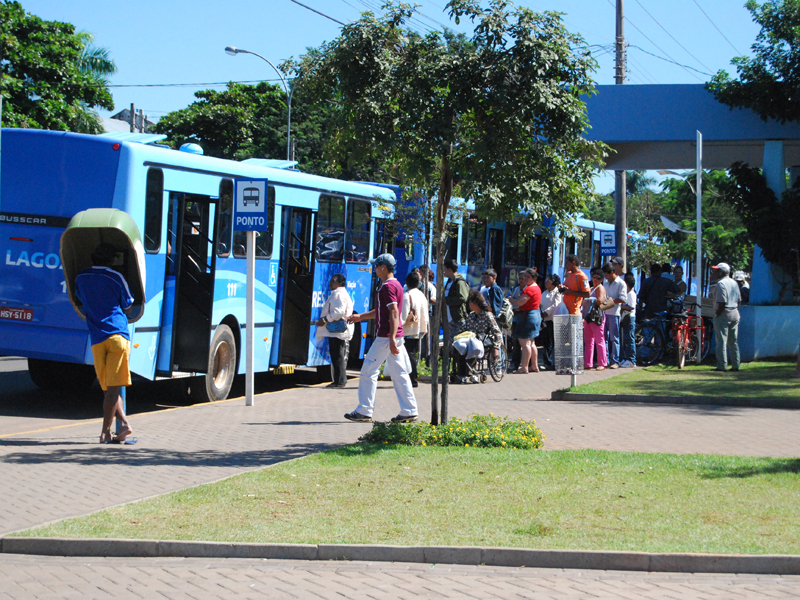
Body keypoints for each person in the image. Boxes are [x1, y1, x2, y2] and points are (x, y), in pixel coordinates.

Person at [345, 253, 418, 423]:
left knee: (368, 370)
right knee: (400, 374)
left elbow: (393, 312)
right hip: (395, 335)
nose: (375, 269)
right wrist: (360, 317)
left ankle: (364, 410)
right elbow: (383, 310)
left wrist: (391, 338)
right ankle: (409, 410)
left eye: (377, 266)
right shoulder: (397, 285)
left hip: (386, 336)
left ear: (383, 267)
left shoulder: (387, 287)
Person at [74, 242, 134, 444]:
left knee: (108, 388)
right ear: (111, 260)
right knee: (112, 389)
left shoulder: (80, 278)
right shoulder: (116, 277)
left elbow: (80, 299)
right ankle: (108, 431)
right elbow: (128, 302)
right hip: (118, 335)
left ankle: (115, 428)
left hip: (97, 337)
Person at [452, 290, 503, 383]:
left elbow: (497, 332)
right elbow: (463, 328)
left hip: (483, 340)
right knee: (459, 346)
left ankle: (472, 373)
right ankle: (461, 373)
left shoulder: (487, 315)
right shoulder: (471, 316)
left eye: (470, 302)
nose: (469, 304)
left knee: (473, 346)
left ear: (475, 303)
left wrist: (496, 347)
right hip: (470, 339)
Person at [315, 273, 354, 388]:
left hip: (337, 330)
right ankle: (339, 380)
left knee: (337, 355)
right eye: (331, 280)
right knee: (338, 355)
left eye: (333, 281)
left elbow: (339, 312)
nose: (330, 283)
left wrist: (326, 319)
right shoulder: (341, 293)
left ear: (340, 283)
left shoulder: (338, 294)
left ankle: (340, 381)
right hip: (339, 330)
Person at [509, 268, 542, 374]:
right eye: (524, 277)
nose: (525, 279)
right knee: (532, 343)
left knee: (525, 343)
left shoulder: (529, 289)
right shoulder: (536, 287)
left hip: (527, 317)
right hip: (535, 315)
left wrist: (512, 300)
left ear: (533, 278)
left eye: (527, 277)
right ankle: (534, 366)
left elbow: (519, 302)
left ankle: (524, 367)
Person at [401, 270, 429, 388]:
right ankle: (412, 378)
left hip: (409, 329)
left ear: (407, 283)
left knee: (408, 354)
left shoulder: (407, 296)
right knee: (411, 353)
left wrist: (397, 327)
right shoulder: (422, 295)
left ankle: (412, 379)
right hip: (420, 329)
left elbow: (403, 315)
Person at [712, 262, 741, 372]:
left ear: (721, 272)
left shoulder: (721, 284)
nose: (715, 272)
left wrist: (717, 314)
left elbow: (722, 302)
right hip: (734, 312)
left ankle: (722, 365)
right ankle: (735, 364)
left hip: (724, 313)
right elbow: (739, 300)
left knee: (721, 342)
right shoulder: (734, 283)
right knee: (733, 341)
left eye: (716, 270)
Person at [602, 262, 627, 369]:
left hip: (614, 313)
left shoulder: (621, 283)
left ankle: (615, 361)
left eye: (607, 275)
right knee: (604, 338)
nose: (606, 277)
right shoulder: (605, 283)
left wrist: (611, 301)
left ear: (612, 273)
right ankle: (605, 359)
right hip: (604, 313)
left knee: (614, 338)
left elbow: (623, 299)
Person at [583, 268, 608, 371]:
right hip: (589, 316)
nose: (595, 279)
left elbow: (600, 300)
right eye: (594, 277)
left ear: (601, 279)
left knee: (599, 340)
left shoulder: (600, 288)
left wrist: (590, 299)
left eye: (598, 278)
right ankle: (588, 363)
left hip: (597, 316)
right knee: (588, 340)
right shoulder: (592, 287)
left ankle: (602, 363)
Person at [539, 274, 562, 370]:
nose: (546, 281)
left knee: (554, 341)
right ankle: (547, 362)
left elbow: (557, 304)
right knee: (546, 342)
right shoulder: (544, 292)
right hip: (545, 320)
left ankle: (555, 362)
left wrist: (546, 312)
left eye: (549, 280)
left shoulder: (557, 292)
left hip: (553, 319)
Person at [443, 258, 470, 328]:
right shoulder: (449, 281)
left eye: (445, 269)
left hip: (457, 318)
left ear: (449, 270)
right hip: (450, 318)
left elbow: (463, 298)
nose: (443, 271)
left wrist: (446, 300)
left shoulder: (459, 282)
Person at [619, 272, 637, 367]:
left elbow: (631, 307)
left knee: (630, 338)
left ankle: (632, 360)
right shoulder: (627, 293)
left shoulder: (631, 294)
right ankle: (625, 358)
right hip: (625, 318)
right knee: (625, 339)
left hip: (630, 318)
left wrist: (621, 306)